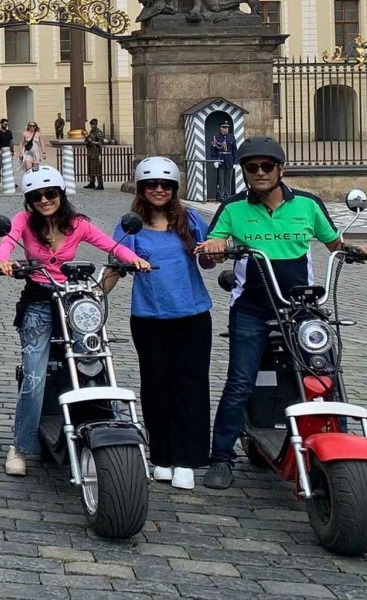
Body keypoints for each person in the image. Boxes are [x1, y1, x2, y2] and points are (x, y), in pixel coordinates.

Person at [197, 136, 367, 490]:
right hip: (251, 307)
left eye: (268, 166)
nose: (261, 173)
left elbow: (334, 243)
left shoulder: (308, 205)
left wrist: (353, 249)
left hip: (301, 307)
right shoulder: (232, 208)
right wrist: (215, 248)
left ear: (281, 169)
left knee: (326, 374)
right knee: (239, 382)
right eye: (253, 168)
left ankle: (338, 450)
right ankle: (221, 457)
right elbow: (208, 255)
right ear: (245, 172)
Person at [0, 166, 150, 476]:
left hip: (73, 302)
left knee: (95, 359)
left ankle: (117, 430)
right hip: (38, 302)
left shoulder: (78, 224)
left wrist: (135, 260)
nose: (44, 200)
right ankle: (21, 446)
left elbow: (112, 246)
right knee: (35, 377)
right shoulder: (24, 221)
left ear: (60, 194)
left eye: (50, 193)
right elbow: (9, 240)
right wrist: (3, 260)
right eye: (36, 196)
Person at [99, 157, 212, 490]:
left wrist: (215, 251)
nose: (158, 190)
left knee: (190, 385)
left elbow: (207, 261)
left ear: (174, 189)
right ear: (141, 189)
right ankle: (161, 456)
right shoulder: (130, 224)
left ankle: (187, 459)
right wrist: (93, 295)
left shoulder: (191, 219)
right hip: (149, 316)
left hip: (192, 314)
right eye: (151, 184)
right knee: (156, 385)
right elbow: (116, 264)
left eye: (165, 185)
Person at [210, 123, 238, 199]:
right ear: (221, 128)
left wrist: (235, 162)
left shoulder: (231, 137)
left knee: (229, 178)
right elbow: (213, 150)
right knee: (221, 178)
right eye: (224, 127)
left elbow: (234, 150)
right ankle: (221, 195)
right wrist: (215, 160)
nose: (226, 129)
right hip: (221, 158)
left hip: (229, 159)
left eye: (227, 128)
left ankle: (228, 195)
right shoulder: (216, 137)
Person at [0, 118, 16, 195]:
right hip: (0, 151)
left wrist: (12, 150)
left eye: (7, 124)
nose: (6, 126)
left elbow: (11, 142)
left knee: (9, 168)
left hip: (8, 151)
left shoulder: (9, 132)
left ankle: (10, 182)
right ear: (1, 124)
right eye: (5, 124)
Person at [84, 118, 105, 189]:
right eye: (91, 125)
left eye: (93, 125)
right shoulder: (91, 131)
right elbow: (89, 139)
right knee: (90, 167)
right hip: (90, 151)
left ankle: (100, 184)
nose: (92, 126)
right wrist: (86, 138)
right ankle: (92, 182)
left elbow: (100, 142)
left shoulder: (99, 132)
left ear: (96, 124)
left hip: (95, 151)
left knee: (97, 168)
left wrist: (92, 142)